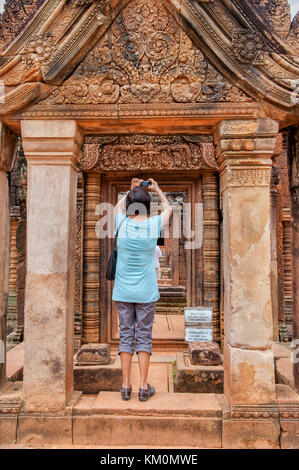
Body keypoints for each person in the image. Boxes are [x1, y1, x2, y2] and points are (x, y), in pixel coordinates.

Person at [112, 178, 172, 402]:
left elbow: (117, 207)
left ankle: (125, 386)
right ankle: (143, 386)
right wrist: (157, 189)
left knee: (126, 334)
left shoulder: (121, 223)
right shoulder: (154, 224)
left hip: (123, 291)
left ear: (130, 205)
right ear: (148, 205)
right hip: (146, 291)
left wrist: (130, 191)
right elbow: (169, 208)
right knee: (144, 336)